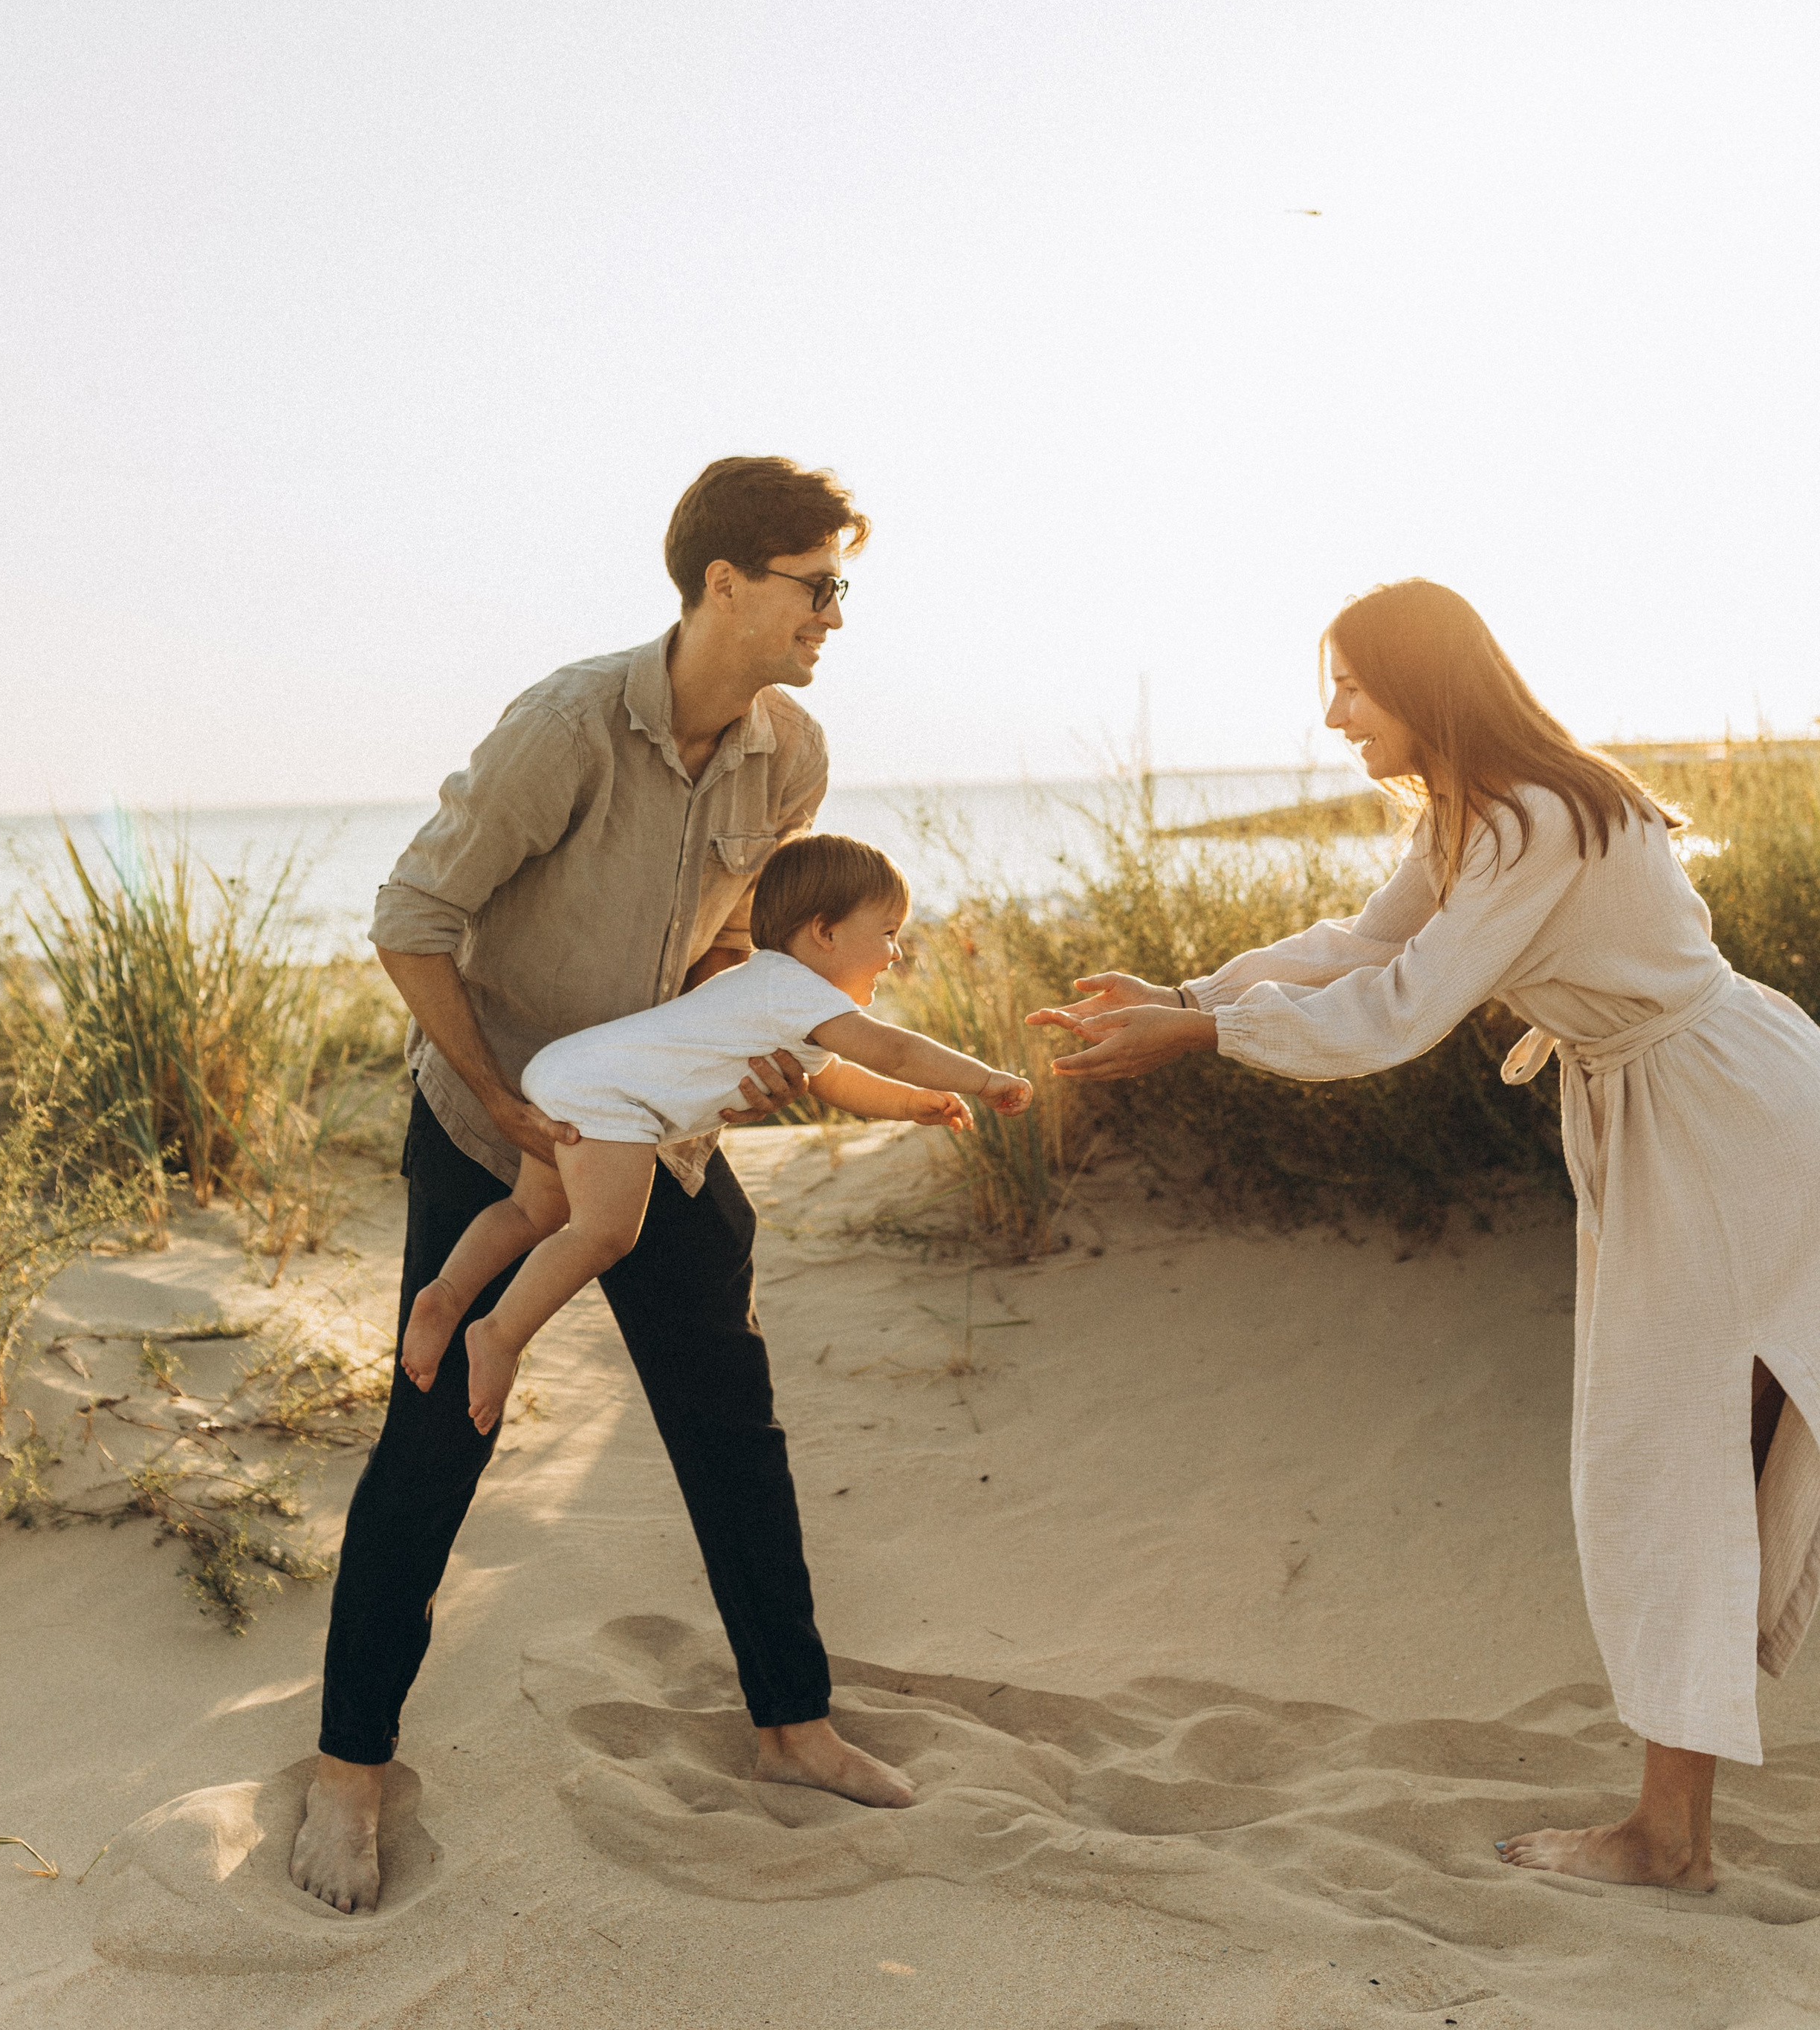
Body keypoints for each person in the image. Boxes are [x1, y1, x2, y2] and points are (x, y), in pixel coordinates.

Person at [1029, 578, 1820, 1894]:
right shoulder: (1476, 815)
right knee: (1696, 1460)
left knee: (1676, 1464)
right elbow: (1359, 943)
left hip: (1729, 1131)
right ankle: (1671, 1830)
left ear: (1422, 682)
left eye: (1350, 683)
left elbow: (1401, 1007)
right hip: (1691, 1116)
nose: (1332, 713)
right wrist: (1187, 993)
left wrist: (1205, 1030)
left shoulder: (1538, 817)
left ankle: (1666, 1841)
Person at [292, 456, 917, 1914]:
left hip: (656, 1130)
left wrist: (752, 1036)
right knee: (437, 1436)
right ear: (720, 584)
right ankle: (347, 1767)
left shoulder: (790, 757)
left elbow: (716, 951)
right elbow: (411, 919)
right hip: (497, 1132)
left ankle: (791, 1725)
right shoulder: (566, 730)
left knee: (730, 1428)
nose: (834, 614)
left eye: (842, 587)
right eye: (814, 585)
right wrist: (506, 1095)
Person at [401, 833, 1032, 1432]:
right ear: (826, 931)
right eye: (889, 933)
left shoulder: (774, 989)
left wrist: (912, 1104)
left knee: (531, 1209)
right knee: (606, 1233)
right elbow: (891, 1050)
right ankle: (499, 1335)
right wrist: (985, 1080)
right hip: (611, 1099)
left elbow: (834, 1078)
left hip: (572, 1072)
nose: (897, 952)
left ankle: (446, 1296)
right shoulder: (796, 991)